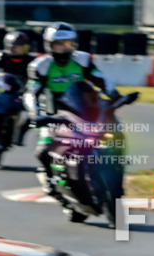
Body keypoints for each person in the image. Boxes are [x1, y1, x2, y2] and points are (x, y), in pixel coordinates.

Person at [22, 22, 121, 196]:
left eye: (67, 44)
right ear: (49, 45)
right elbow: (31, 93)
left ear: (73, 44)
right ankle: (49, 177)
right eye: (58, 44)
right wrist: (35, 114)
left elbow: (100, 79)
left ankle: (116, 164)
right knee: (43, 150)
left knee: (114, 128)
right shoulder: (40, 66)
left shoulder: (82, 59)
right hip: (56, 113)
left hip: (85, 109)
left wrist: (113, 94)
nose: (63, 48)